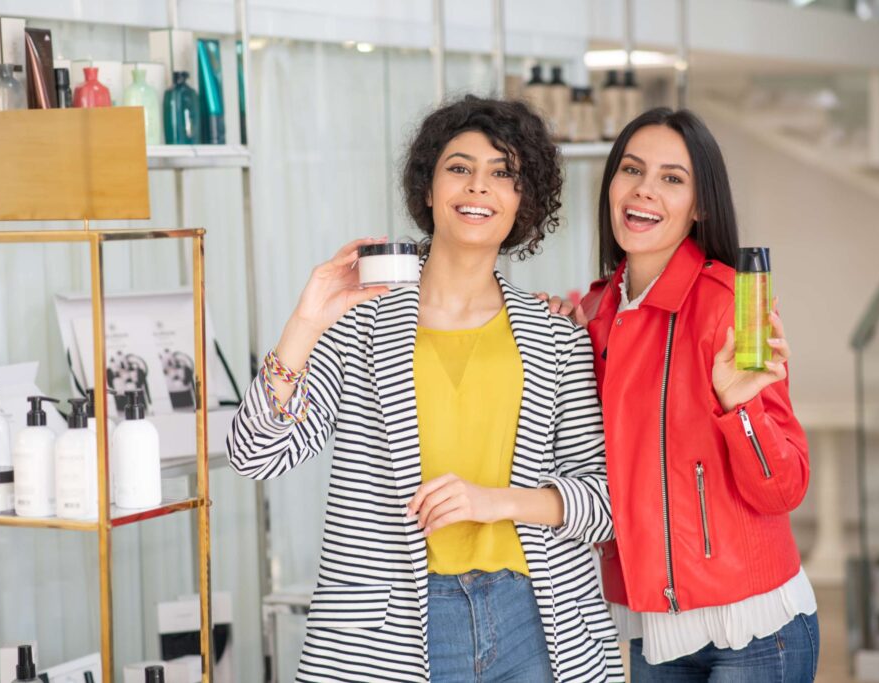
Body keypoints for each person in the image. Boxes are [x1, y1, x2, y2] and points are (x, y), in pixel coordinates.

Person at [226, 95, 623, 682]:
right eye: (459, 168)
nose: (478, 187)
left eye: (503, 174)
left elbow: (604, 502)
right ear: (429, 189)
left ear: (523, 202)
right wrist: (306, 321)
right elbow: (255, 454)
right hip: (387, 628)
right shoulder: (360, 321)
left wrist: (499, 501)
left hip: (533, 619)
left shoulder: (555, 335)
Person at [579, 107, 819, 682]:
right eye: (631, 170)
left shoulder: (731, 304)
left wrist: (741, 409)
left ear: (700, 205)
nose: (644, 190)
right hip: (652, 630)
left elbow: (786, 488)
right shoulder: (594, 314)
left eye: (672, 178)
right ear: (610, 184)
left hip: (755, 630)